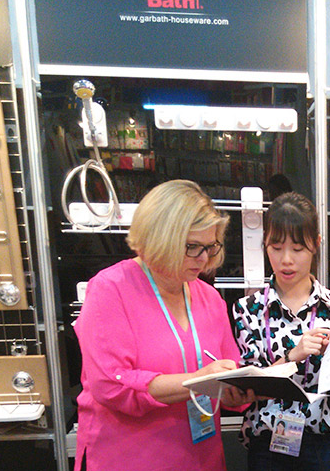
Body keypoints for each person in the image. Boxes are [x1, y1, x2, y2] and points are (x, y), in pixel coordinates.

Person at [74, 180, 251, 471]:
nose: (203, 259)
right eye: (192, 247)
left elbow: (228, 370)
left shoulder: (209, 299)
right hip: (131, 458)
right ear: (159, 237)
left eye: (210, 247)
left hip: (201, 456)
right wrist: (197, 381)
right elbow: (111, 385)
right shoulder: (111, 289)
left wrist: (240, 388)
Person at [233, 191, 330, 470]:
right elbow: (250, 389)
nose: (286, 259)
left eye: (298, 249)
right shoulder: (248, 309)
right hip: (268, 440)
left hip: (325, 439)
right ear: (265, 245)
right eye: (276, 247)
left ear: (316, 245)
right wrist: (292, 356)